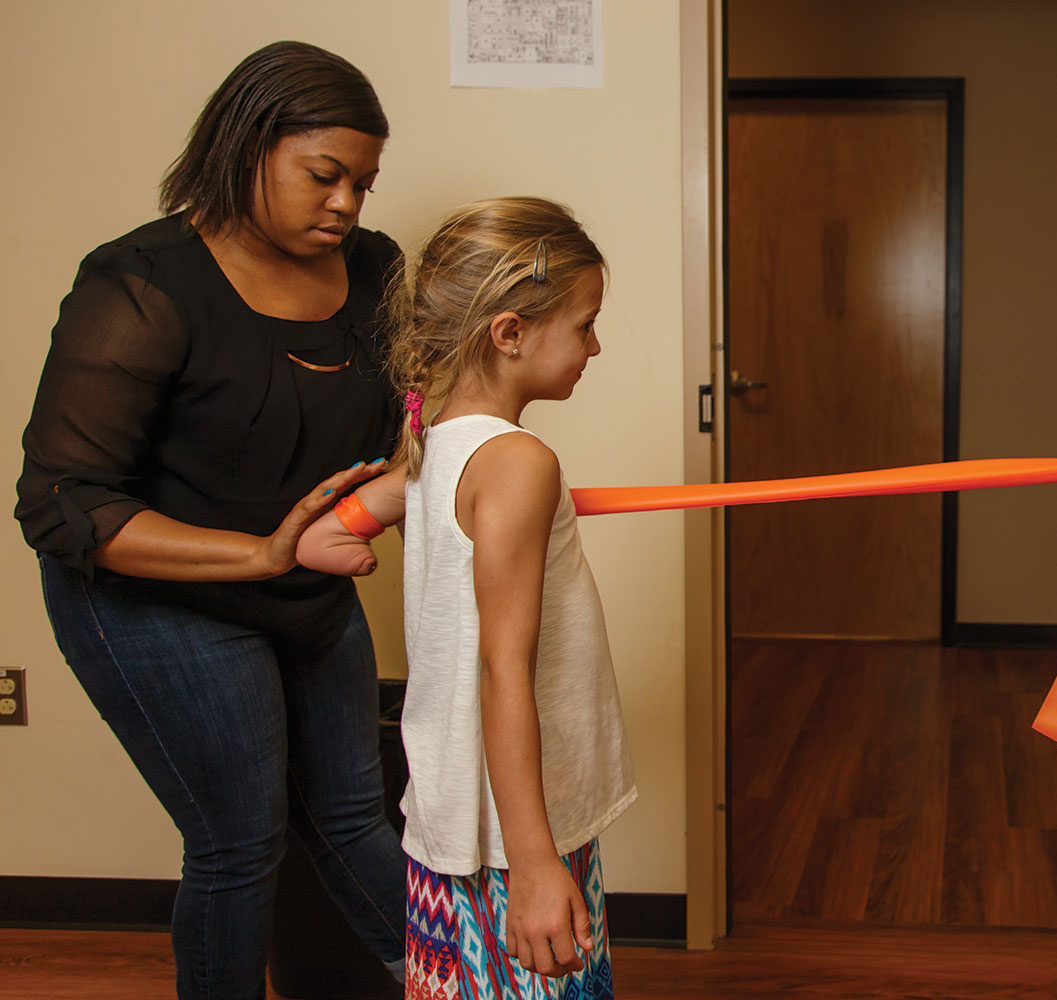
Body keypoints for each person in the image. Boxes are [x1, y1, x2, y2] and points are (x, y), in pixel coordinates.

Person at [14, 41, 407, 998]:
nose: (348, 204)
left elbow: (407, 415)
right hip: (155, 594)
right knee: (240, 842)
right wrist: (264, 551)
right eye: (325, 175)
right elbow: (63, 505)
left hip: (302, 580)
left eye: (364, 181)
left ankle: (464, 981)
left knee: (355, 814)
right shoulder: (141, 285)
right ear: (247, 147)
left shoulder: (374, 268)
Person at [297, 197, 637, 998]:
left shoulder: (430, 448)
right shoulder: (518, 463)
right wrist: (534, 862)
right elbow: (501, 669)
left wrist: (339, 530)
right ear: (510, 332)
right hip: (516, 831)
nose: (596, 344)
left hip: (448, 820)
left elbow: (327, 534)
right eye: (584, 324)